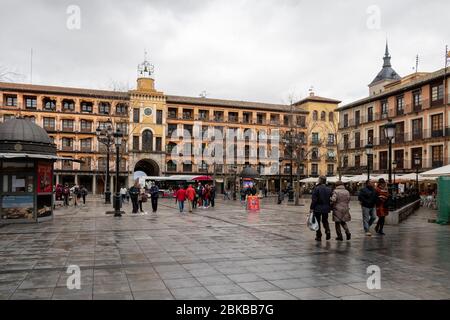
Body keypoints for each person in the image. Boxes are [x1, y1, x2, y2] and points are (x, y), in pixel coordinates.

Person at [310, 176, 332, 241]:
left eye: (318, 179)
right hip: (326, 208)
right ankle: (327, 231)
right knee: (325, 220)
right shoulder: (329, 189)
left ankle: (319, 236)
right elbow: (331, 199)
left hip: (317, 208)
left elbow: (314, 200)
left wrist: (311, 208)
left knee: (317, 222)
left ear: (320, 180)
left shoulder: (316, 188)